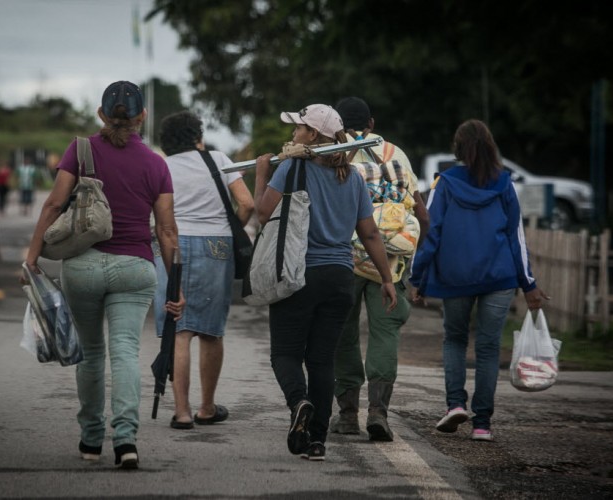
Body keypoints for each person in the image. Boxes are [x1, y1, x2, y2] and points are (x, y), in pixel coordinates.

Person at [24, 80, 185, 469]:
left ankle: (92, 439)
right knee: (126, 351)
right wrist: (176, 285)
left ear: (101, 114)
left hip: (83, 266)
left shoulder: (80, 151)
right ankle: (126, 441)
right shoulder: (156, 164)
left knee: (92, 353)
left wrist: (32, 259)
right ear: (142, 117)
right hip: (135, 268)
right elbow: (166, 230)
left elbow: (54, 203)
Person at [254, 104, 397, 461]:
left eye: (299, 128)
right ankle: (316, 440)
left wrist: (260, 172)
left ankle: (298, 402)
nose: (293, 135)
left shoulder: (291, 168)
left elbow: (261, 212)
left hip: (299, 275)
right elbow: (371, 235)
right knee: (321, 361)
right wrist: (386, 278)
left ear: (314, 136)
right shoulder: (353, 179)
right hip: (338, 279)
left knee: (285, 354)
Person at [409, 119, 549, 442]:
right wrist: (529, 285)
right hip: (499, 277)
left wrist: (418, 277)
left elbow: (430, 232)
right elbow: (517, 237)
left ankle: (456, 404)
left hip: (455, 277)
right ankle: (482, 424)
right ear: (490, 146)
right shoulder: (505, 184)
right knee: (488, 349)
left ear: (458, 149)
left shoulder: (444, 183)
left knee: (454, 339)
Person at [329, 97, 429, 441]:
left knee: (343, 335)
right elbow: (421, 211)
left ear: (338, 125)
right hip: (393, 262)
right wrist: (416, 250)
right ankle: (378, 413)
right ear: (370, 123)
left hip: (346, 259)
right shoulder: (396, 154)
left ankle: (346, 415)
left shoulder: (335, 155)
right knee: (385, 335)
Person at [154, 111, 254, 430]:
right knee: (211, 331)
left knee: (179, 329)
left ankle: (181, 412)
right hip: (217, 244)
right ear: (197, 136)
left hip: (174, 242)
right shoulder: (219, 159)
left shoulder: (161, 167)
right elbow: (247, 204)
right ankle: (207, 408)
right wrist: (228, 230)